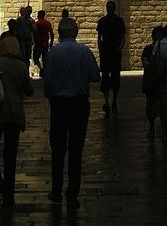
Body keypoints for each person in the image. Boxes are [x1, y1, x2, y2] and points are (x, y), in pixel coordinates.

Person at [43, 16, 100, 206]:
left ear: (59, 33)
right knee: (76, 149)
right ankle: (73, 193)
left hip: (59, 105)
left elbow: (48, 81)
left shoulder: (53, 53)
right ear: (75, 32)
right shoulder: (84, 51)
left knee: (58, 149)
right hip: (79, 104)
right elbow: (95, 76)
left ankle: (56, 190)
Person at [0, 30, 33, 214]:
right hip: (14, 116)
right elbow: (29, 89)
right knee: (10, 156)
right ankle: (9, 196)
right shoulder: (20, 66)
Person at [96, 0, 126, 116]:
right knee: (105, 77)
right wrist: (100, 49)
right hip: (106, 51)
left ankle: (113, 101)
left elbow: (123, 36)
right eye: (108, 7)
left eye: (111, 7)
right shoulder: (102, 21)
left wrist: (120, 47)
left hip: (115, 51)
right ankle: (107, 102)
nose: (109, 9)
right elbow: (99, 37)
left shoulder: (119, 21)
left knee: (115, 77)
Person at [140, 25, 164, 139]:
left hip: (161, 81)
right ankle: (151, 126)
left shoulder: (164, 49)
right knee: (150, 104)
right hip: (151, 81)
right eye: (156, 35)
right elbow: (145, 63)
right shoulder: (148, 49)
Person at [33, 9, 54, 74]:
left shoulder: (37, 23)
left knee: (35, 57)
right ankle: (45, 71)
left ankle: (41, 69)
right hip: (45, 43)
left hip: (38, 43)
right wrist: (51, 42)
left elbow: (34, 33)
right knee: (45, 59)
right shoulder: (48, 23)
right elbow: (51, 33)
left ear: (39, 15)